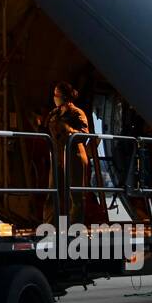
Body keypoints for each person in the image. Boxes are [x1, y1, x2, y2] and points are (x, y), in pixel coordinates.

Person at [46, 81, 93, 222]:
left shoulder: (77, 113)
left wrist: (67, 129)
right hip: (58, 156)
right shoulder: (54, 113)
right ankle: (49, 225)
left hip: (74, 156)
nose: (54, 97)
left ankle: (74, 227)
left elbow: (84, 134)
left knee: (75, 195)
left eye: (57, 94)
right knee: (52, 192)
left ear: (65, 97)